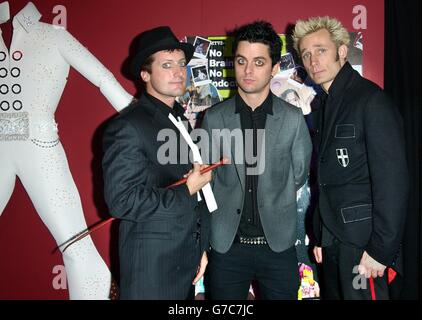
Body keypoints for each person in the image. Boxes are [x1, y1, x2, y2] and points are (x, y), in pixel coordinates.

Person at [0, 1, 132, 299]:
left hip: (39, 143)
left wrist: (144, 118)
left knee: (73, 241)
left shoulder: (55, 36)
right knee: (73, 241)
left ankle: (98, 290)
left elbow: (103, 78)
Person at [293, 16, 409, 300]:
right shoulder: (325, 105)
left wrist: (381, 251)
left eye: (321, 50)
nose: (313, 60)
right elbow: (328, 179)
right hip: (333, 244)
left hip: (364, 248)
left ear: (342, 51)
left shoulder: (370, 100)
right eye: (306, 54)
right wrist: (321, 235)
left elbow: (392, 183)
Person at [201, 21, 312, 300]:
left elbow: (298, 173)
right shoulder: (214, 118)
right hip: (227, 247)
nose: (248, 71)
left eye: (259, 62)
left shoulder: (292, 118)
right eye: (241, 61)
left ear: (274, 67)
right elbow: (205, 180)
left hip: (278, 248)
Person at [102, 26, 211, 300]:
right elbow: (122, 201)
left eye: (182, 64)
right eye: (166, 65)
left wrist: (201, 247)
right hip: (151, 270)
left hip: (184, 259)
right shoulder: (128, 126)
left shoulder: (179, 120)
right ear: (144, 74)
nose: (178, 72)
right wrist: (186, 189)